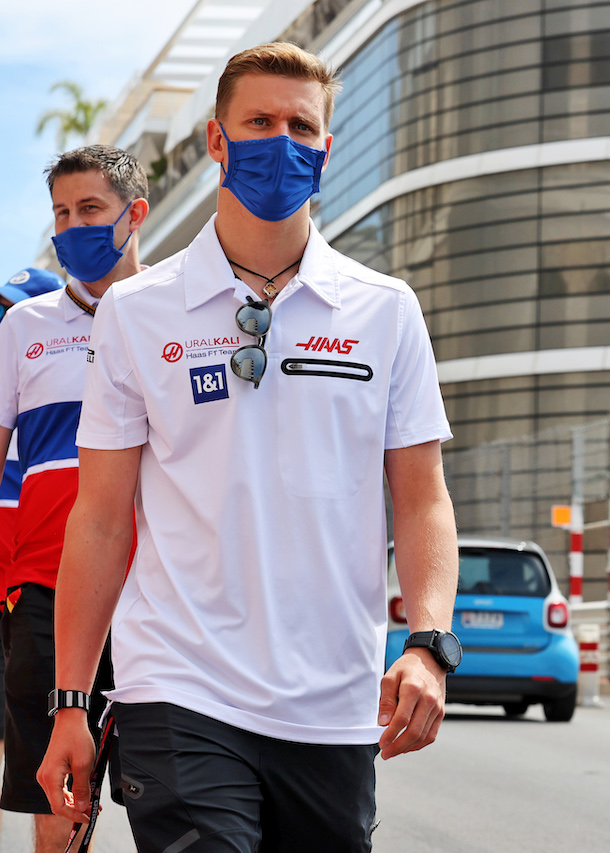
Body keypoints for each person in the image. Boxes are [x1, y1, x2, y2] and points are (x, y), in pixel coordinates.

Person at [38, 42, 459, 852]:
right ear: (216, 141)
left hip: (333, 709)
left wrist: (430, 644)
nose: (282, 141)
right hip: (179, 687)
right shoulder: (137, 312)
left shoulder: (386, 311)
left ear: (326, 148)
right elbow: (99, 520)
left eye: (301, 125)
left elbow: (422, 496)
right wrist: (69, 702)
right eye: (259, 121)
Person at [0, 147, 148, 853]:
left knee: (172, 796)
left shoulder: (177, 316)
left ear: (133, 214)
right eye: (62, 213)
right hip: (43, 593)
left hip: (159, 592)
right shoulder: (22, 329)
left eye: (90, 209)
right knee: (58, 803)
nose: (73, 226)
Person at [0, 266, 65, 844]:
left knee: (58, 787)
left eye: (13, 309)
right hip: (16, 604)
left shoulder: (57, 415)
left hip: (34, 600)